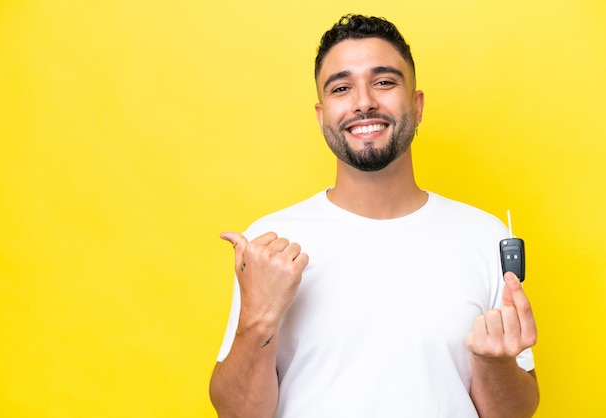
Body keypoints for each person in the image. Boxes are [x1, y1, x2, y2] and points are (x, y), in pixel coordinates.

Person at [209, 14, 539, 418]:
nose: (363, 101)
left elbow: (515, 413)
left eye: (384, 82)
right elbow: (236, 414)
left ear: (417, 106)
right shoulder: (269, 242)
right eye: (342, 88)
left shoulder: (486, 237)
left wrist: (493, 363)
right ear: (321, 116)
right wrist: (257, 322)